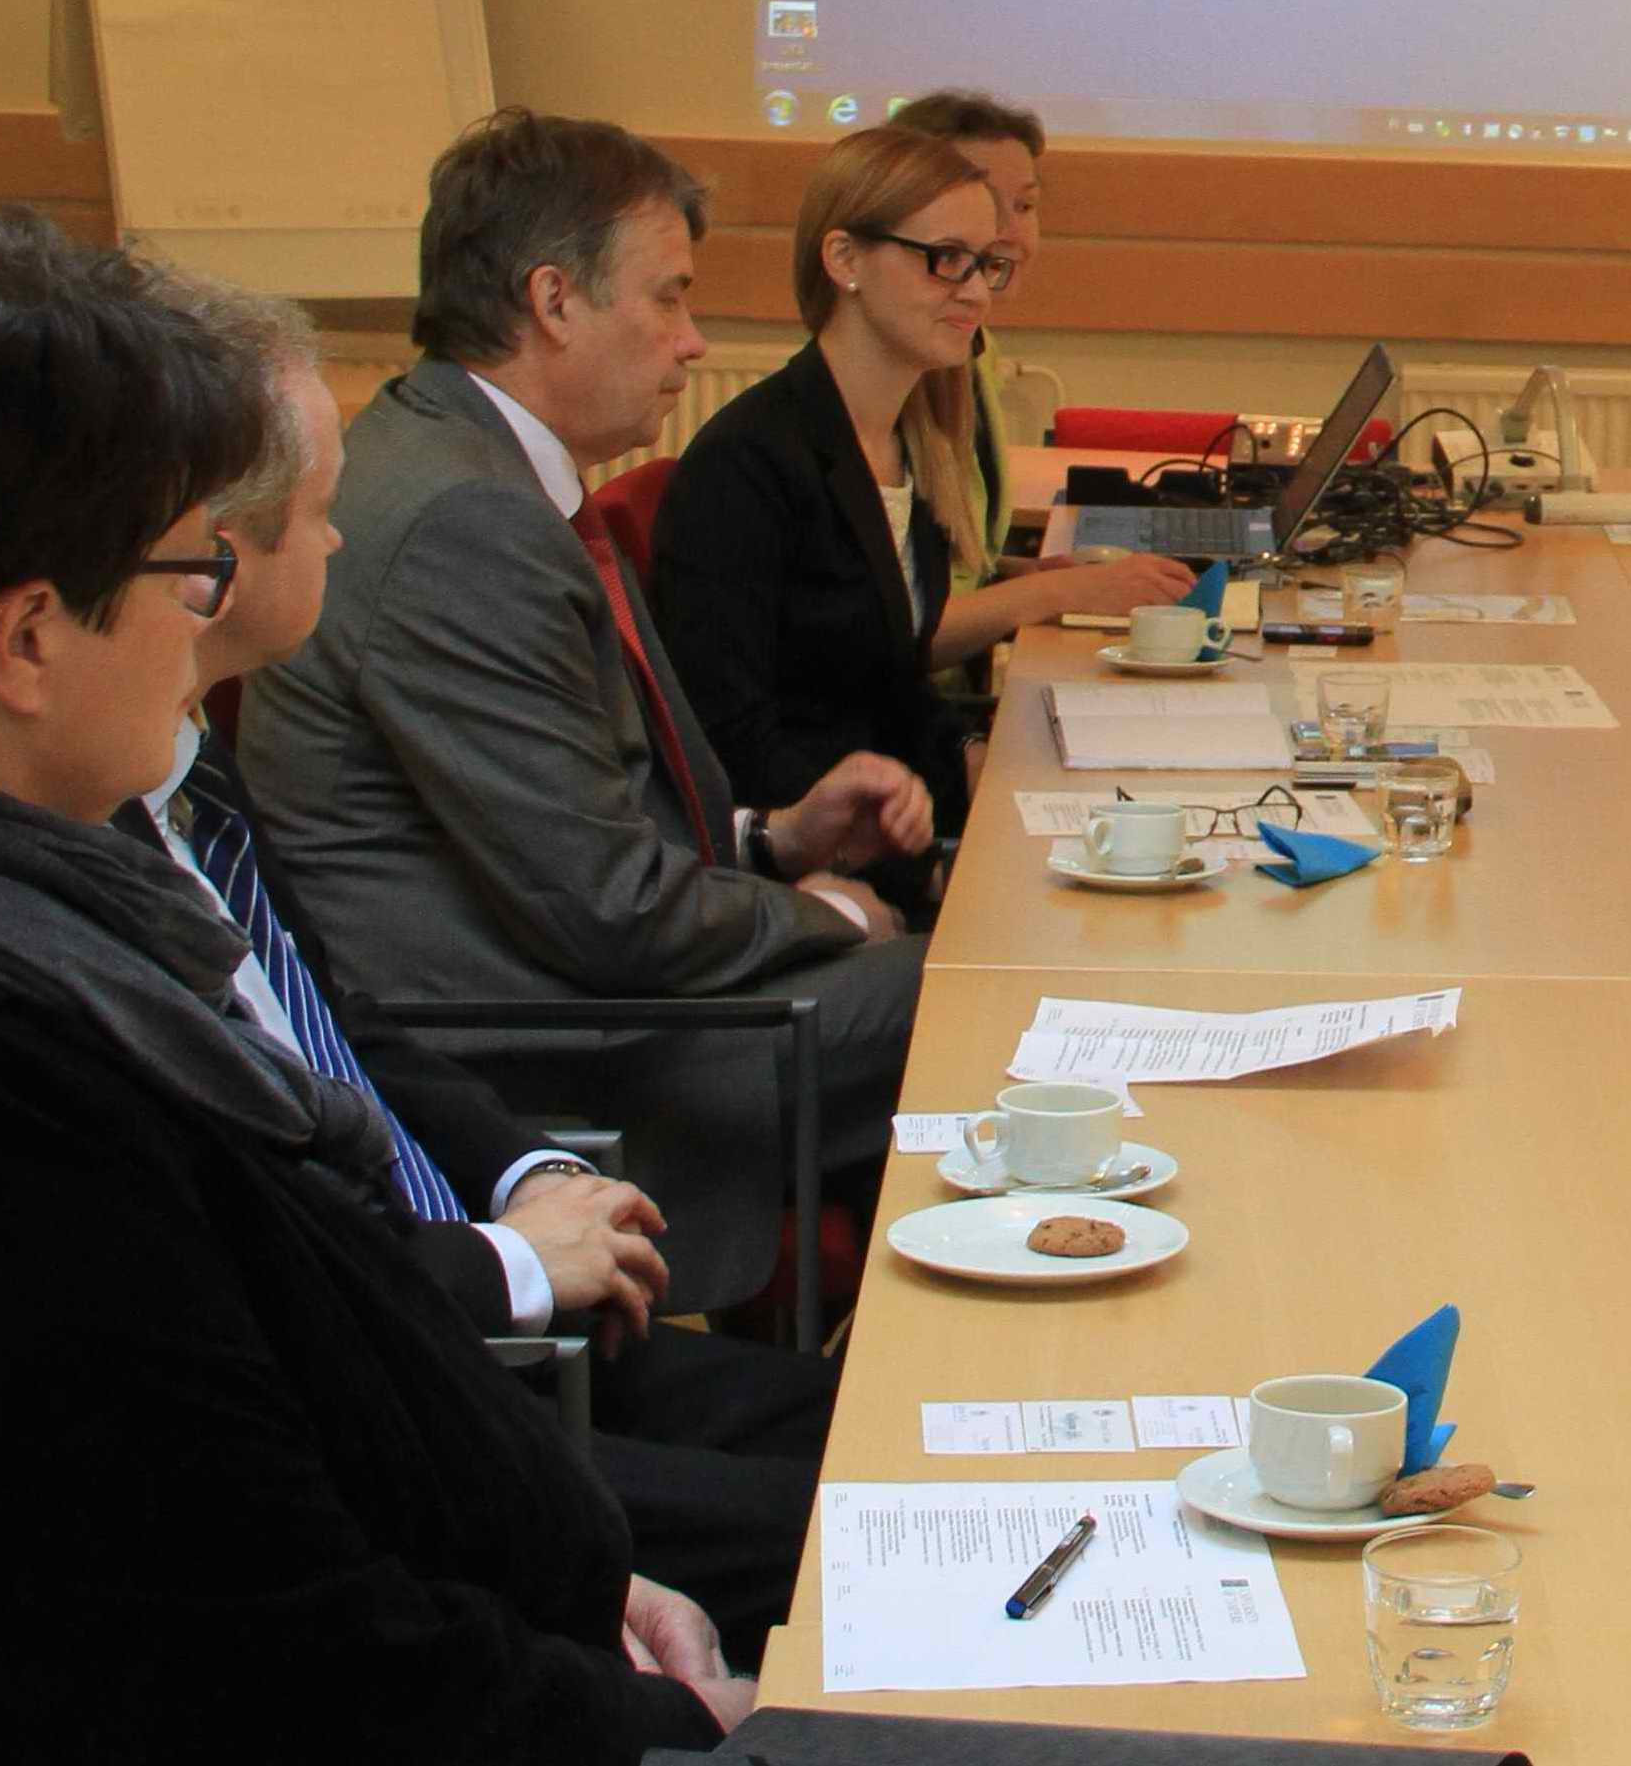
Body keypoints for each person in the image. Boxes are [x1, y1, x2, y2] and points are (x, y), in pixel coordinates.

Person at [0, 211, 737, 1755]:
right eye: (191, 567)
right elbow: (273, 1665)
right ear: (23, 640)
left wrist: (584, 1585)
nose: (209, 608)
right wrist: (665, 1717)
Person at [152, 274, 833, 1661]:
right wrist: (503, 1260)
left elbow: (341, 1031)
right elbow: (250, 1272)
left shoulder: (179, 769)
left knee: (899, 1425)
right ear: (213, 558)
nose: (341, 534)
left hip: (479, 1298)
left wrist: (528, 1173)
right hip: (421, 1368)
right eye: (319, 511)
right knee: (874, 1518)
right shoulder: (89, 851)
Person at [239, 109, 933, 1312]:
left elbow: (572, 824)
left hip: (570, 975)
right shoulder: (465, 518)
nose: (691, 340)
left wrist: (773, 840)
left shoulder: (470, 462)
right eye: (667, 298)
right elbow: (606, 908)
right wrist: (820, 912)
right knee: (983, 988)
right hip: (545, 1043)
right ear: (554, 300)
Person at [648, 126, 1014, 839]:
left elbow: (884, 683)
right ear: (845, 259)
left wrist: (969, 759)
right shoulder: (746, 465)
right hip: (799, 849)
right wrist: (899, 854)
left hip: (883, 826)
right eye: (945, 259)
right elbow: (728, 740)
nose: (975, 292)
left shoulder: (908, 444)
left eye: (984, 264)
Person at [886, 87, 1194, 714]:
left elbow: (938, 568)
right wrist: (1054, 595)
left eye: (1024, 205)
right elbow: (892, 627)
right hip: (914, 722)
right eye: (977, 204)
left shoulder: (973, 351)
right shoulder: (891, 385)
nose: (1008, 232)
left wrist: (1024, 575)